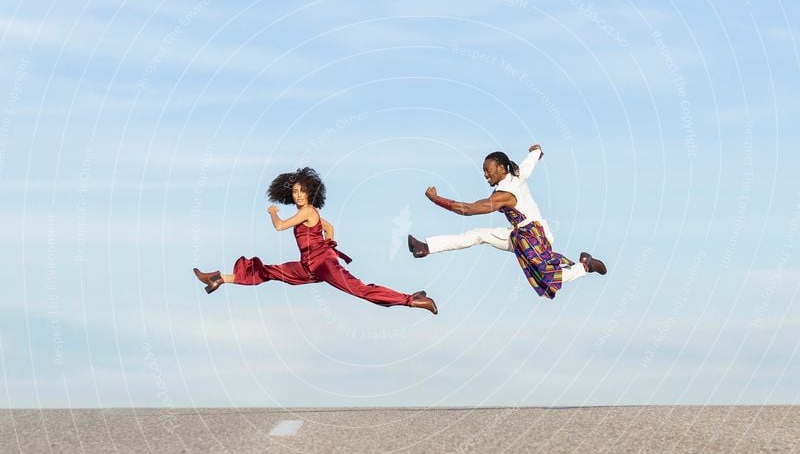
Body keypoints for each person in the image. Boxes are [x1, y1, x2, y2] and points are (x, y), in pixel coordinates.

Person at [194, 167, 438, 313]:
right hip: (308, 266)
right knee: (268, 272)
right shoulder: (310, 214)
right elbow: (329, 226)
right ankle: (220, 279)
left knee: (361, 290)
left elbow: (279, 227)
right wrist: (330, 241)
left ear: (310, 192)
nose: (298, 195)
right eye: (295, 192)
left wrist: (273, 213)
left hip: (323, 265)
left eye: (302, 191)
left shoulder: (307, 211)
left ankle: (414, 301)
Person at [407, 144, 606, 300]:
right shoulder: (515, 174)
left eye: (488, 170)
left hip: (533, 237)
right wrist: (537, 151)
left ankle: (585, 267)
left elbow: (470, 209)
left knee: (547, 277)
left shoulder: (507, 193)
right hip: (518, 233)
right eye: (484, 170)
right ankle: (425, 247)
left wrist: (437, 199)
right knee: (477, 235)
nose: (485, 174)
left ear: (501, 168)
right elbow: (528, 164)